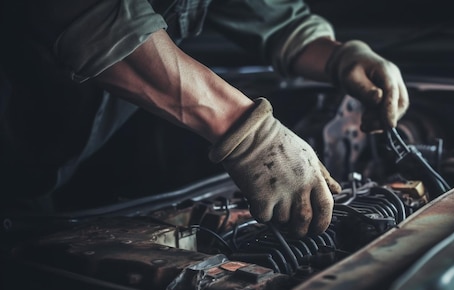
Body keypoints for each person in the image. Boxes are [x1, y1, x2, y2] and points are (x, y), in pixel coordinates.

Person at [0, 0, 409, 238]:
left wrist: (338, 56)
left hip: (42, 166)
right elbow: (98, 20)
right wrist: (250, 135)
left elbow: (272, 17)